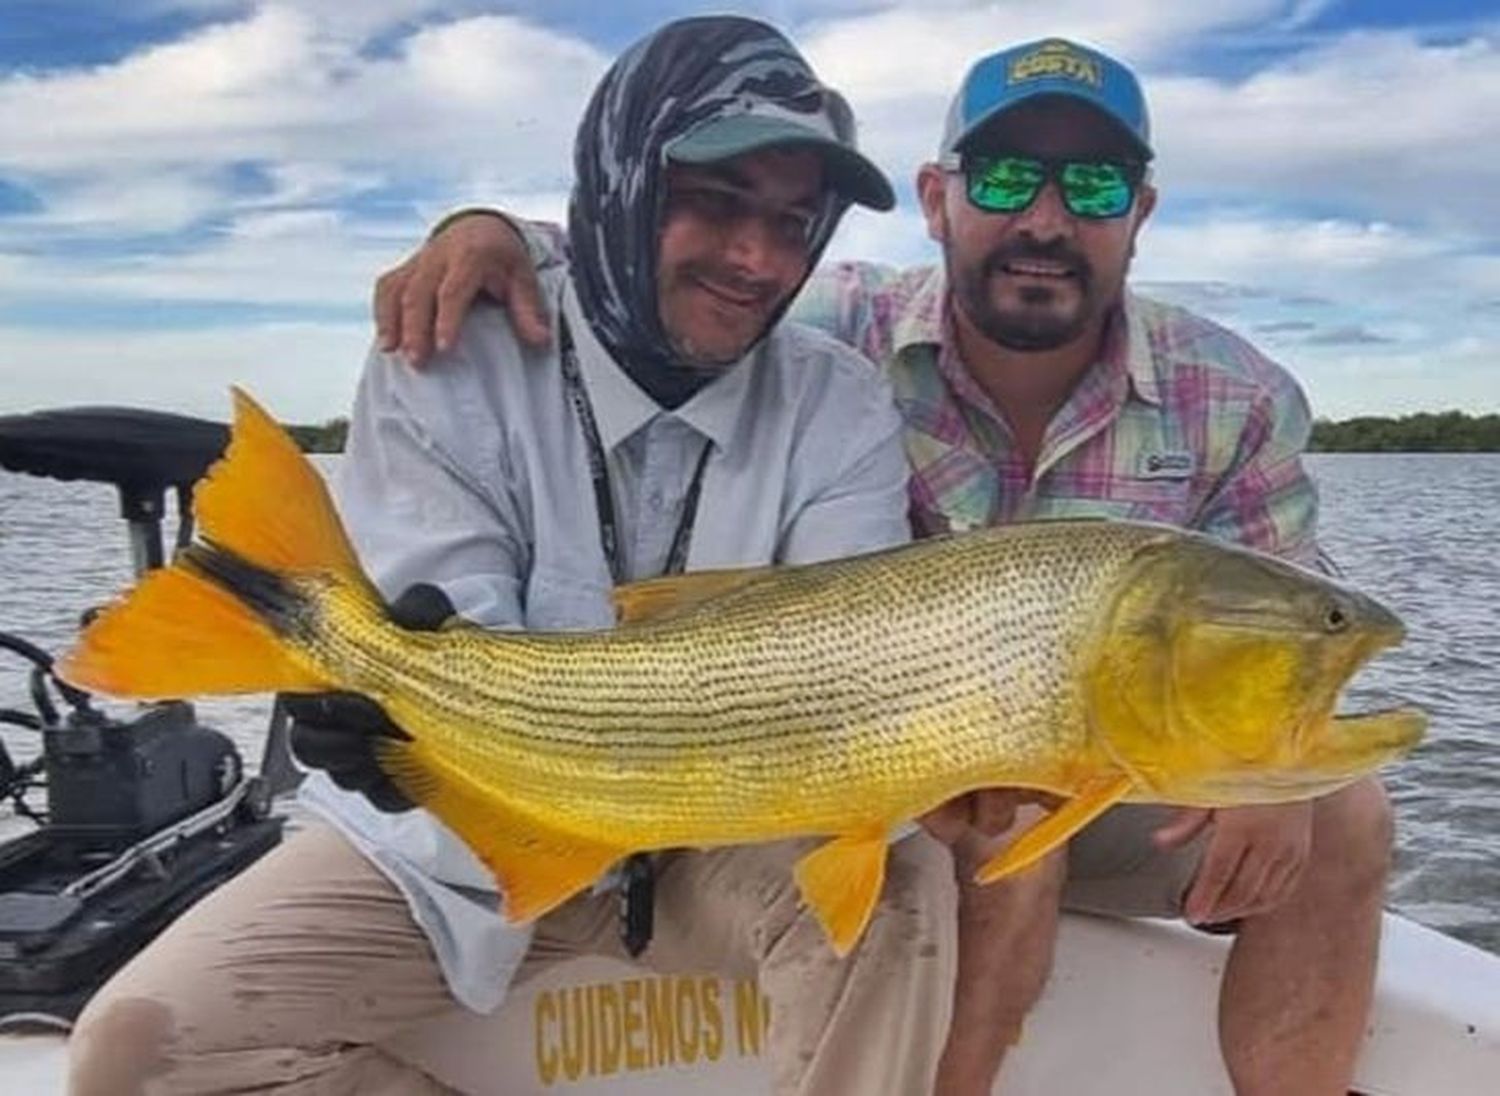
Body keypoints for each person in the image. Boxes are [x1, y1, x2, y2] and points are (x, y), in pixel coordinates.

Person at [372, 36, 1396, 1096]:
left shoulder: (1235, 394)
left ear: (1139, 214)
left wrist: (1277, 778)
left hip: (1128, 766)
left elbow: (1278, 604)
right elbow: (668, 249)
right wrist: (482, 232)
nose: (1045, 220)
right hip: (896, 751)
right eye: (1003, 178)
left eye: (1092, 184)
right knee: (1015, 828)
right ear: (937, 199)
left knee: (1348, 814)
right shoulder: (833, 324)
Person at [66, 17, 991, 1096]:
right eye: (716, 201)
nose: (758, 258)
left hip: (724, 836)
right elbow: (451, 625)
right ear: (621, 185)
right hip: (467, 825)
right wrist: (383, 699)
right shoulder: (451, 343)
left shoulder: (839, 400)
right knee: (135, 1052)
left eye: (794, 224)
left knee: (901, 885)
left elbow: (845, 676)